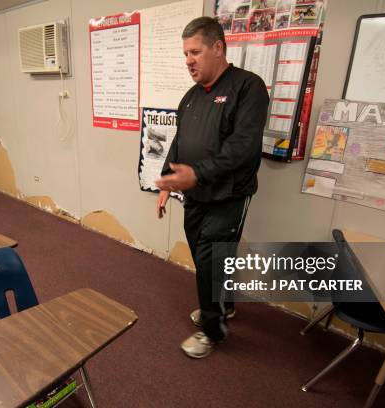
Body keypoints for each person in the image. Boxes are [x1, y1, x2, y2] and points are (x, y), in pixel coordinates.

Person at [155, 16, 269, 358]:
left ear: (218, 47)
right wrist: (165, 182)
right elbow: (180, 142)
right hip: (196, 194)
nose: (188, 60)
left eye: (195, 52)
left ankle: (212, 329)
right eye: (185, 54)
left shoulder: (249, 87)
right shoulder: (191, 96)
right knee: (207, 258)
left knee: (210, 260)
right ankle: (224, 305)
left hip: (229, 195)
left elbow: (243, 147)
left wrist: (198, 174)